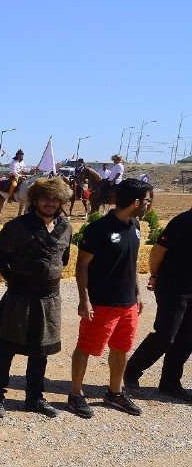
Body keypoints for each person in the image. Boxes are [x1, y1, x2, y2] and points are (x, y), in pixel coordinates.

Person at [0, 178, 73, 418]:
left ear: (62, 201)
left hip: (49, 297)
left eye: (55, 198)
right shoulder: (17, 227)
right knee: (6, 348)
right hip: (20, 295)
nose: (50, 203)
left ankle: (35, 397)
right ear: (35, 199)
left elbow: (63, 259)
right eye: (45, 197)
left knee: (40, 351)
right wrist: (13, 279)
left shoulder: (66, 227)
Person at [68, 178, 153, 418]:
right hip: (101, 304)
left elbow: (132, 262)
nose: (149, 205)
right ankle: (76, 394)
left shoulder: (136, 225)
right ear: (136, 202)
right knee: (86, 347)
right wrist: (84, 299)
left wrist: (137, 293)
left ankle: (115, 392)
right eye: (147, 200)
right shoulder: (98, 229)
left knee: (122, 348)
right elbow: (81, 265)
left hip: (128, 304)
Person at [126, 205, 192, 403]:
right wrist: (155, 275)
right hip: (174, 287)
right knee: (166, 335)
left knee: (187, 338)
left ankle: (170, 383)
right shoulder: (182, 221)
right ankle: (131, 371)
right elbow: (157, 251)